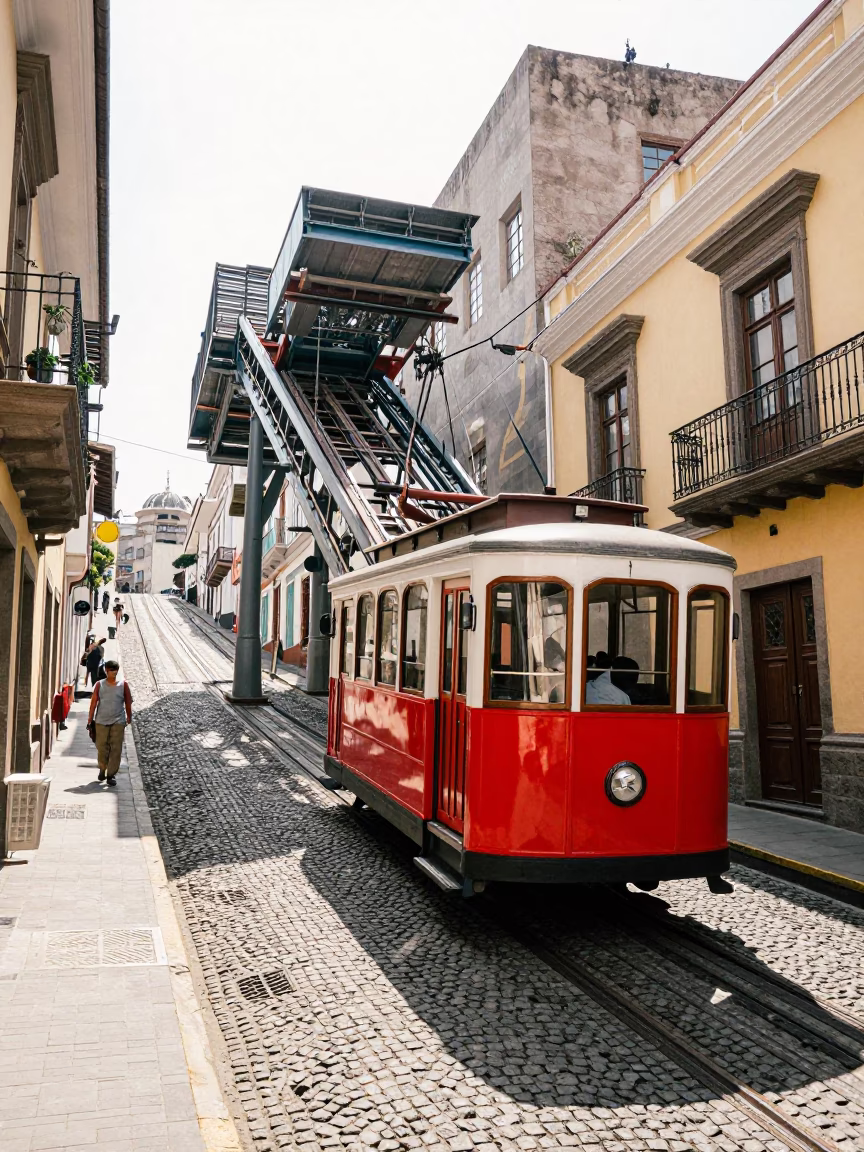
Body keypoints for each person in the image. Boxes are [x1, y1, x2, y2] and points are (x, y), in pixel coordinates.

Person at [87, 659, 132, 785]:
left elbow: (128, 702)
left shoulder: (123, 685)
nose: (114, 672)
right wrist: (90, 719)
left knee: (116, 749)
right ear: (106, 671)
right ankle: (102, 768)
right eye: (111, 670)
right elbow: (94, 702)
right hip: (101, 720)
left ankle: (111, 775)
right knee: (102, 747)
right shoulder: (99, 685)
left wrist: (129, 716)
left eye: (115, 670)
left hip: (118, 720)